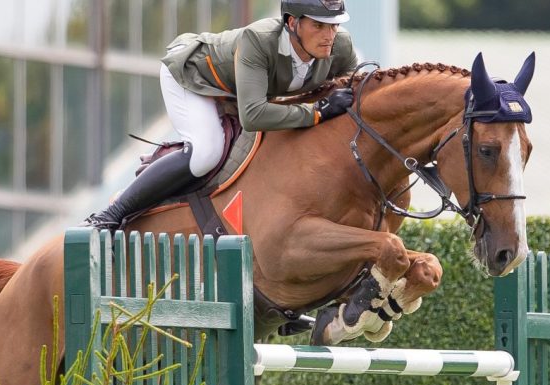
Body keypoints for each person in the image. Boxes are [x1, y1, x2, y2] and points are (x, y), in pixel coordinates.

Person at [84, 0, 358, 229]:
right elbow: (253, 115)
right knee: (206, 152)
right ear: (292, 23)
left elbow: (356, 95)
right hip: (195, 77)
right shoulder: (259, 40)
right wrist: (317, 113)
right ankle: (111, 215)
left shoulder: (340, 47)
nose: (329, 35)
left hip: (241, 91)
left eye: (334, 25)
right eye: (318, 25)